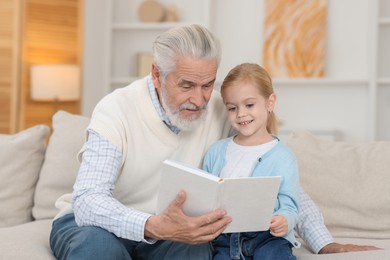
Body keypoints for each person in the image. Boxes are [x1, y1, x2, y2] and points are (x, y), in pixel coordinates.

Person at [49, 24, 379, 260]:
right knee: (98, 250)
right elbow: (89, 200)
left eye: (207, 85)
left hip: (178, 232)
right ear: (156, 74)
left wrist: (323, 243)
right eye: (187, 85)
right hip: (100, 226)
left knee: (195, 248)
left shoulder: (223, 112)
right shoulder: (116, 109)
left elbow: (276, 181)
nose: (199, 99)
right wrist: (152, 225)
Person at [202, 63, 299, 260]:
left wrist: (285, 220)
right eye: (232, 108)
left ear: (270, 102)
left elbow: (290, 205)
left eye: (249, 105)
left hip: (268, 237)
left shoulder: (284, 157)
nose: (241, 114)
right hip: (225, 239)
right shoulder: (216, 151)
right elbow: (206, 195)